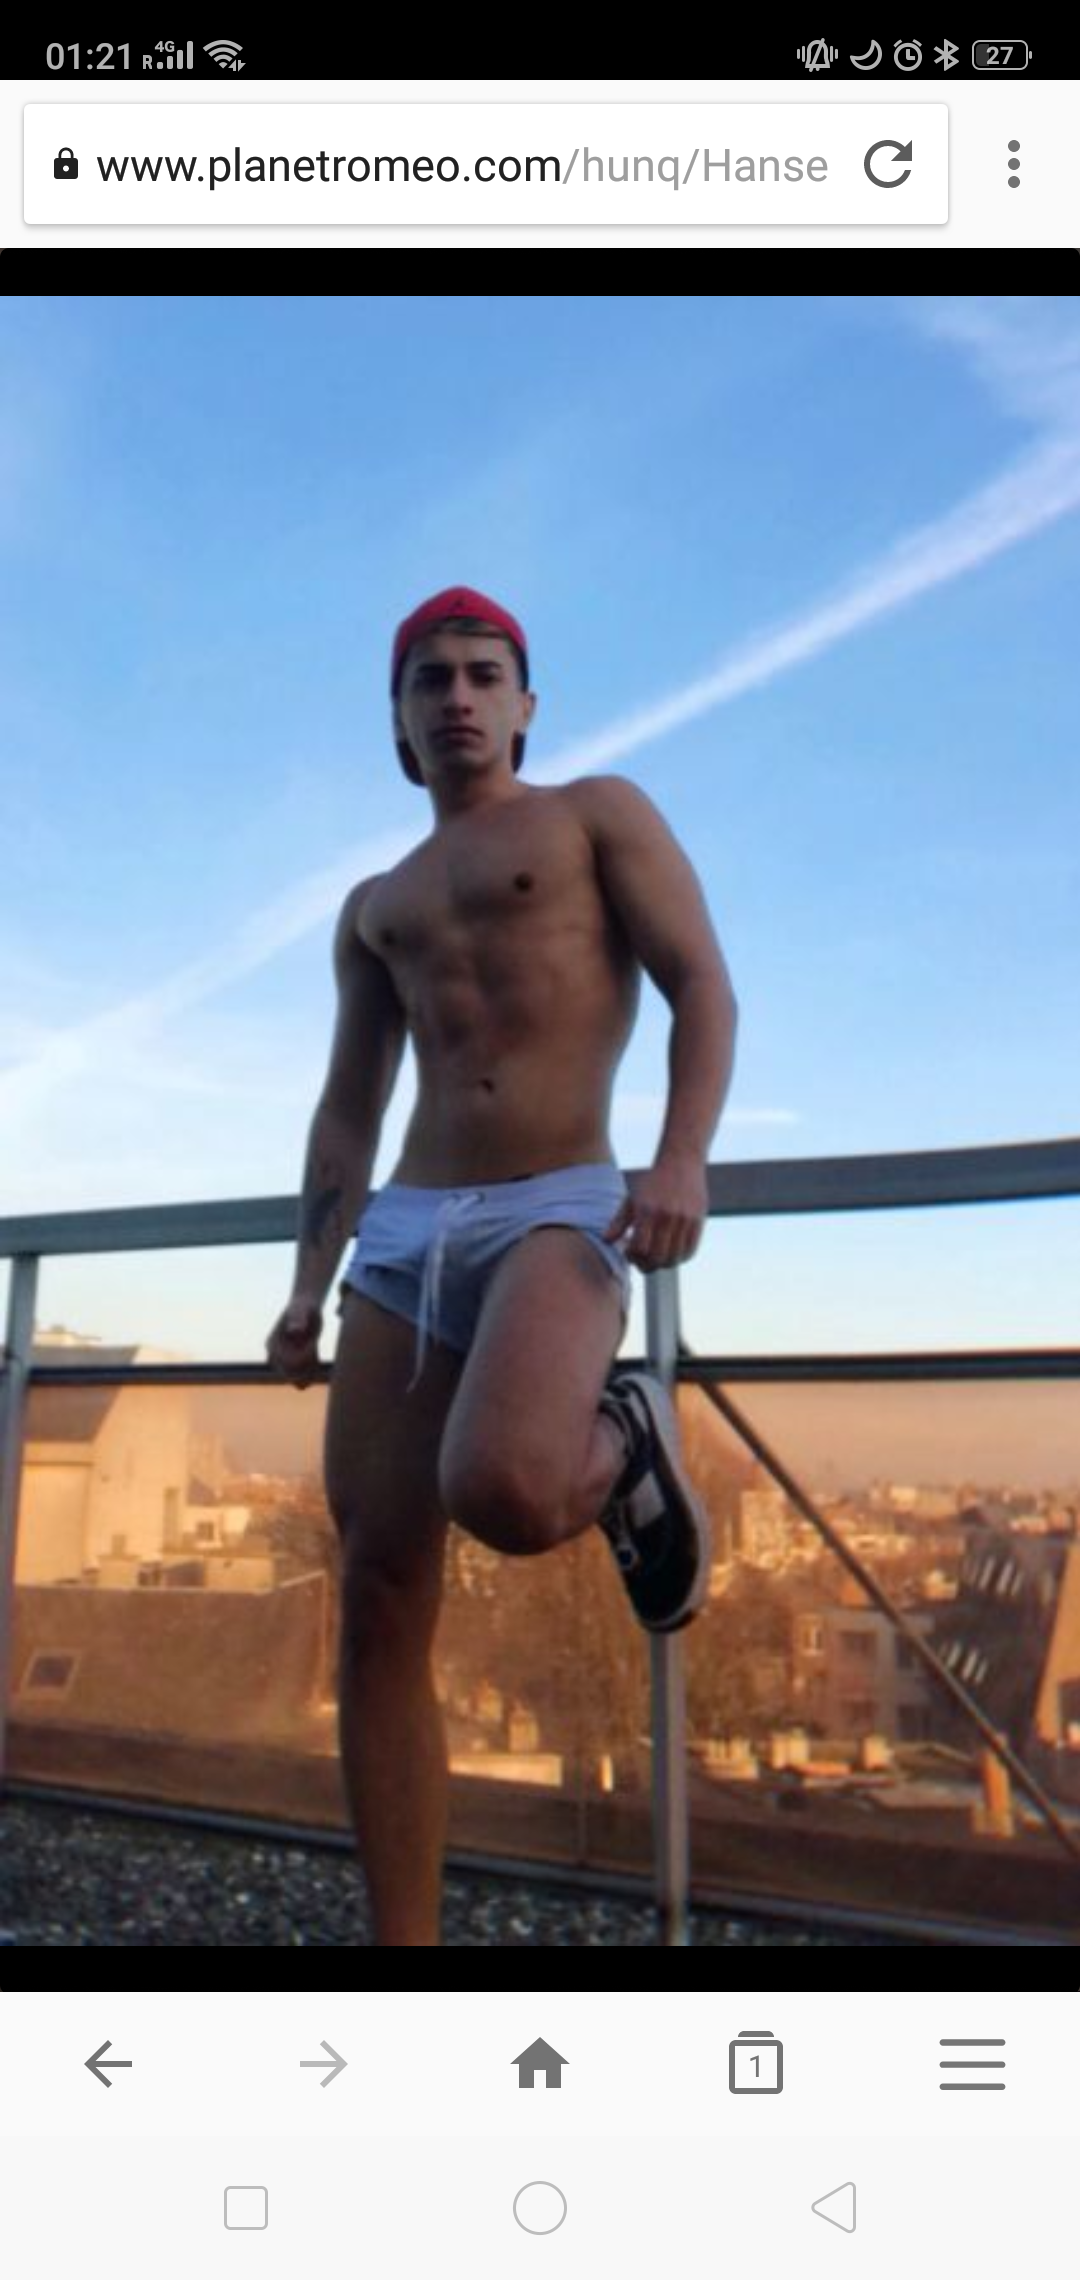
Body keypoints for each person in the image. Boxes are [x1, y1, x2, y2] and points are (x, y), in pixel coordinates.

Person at [265, 583, 739, 1945]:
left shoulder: (596, 815)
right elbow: (349, 1107)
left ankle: (622, 1434)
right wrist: (304, 1286)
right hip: (406, 1231)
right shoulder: (374, 907)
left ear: (527, 706)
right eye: (431, 679)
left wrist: (683, 1157)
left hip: (559, 1204)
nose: (459, 696)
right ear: (400, 723)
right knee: (376, 1594)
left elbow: (702, 983)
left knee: (509, 1489)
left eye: (484, 674)